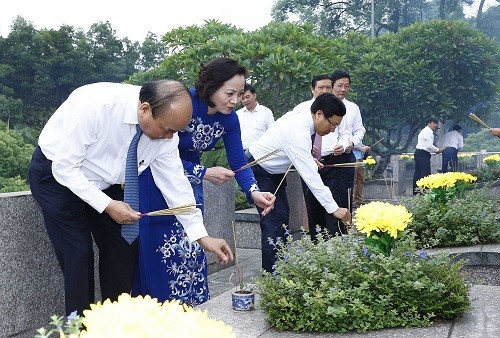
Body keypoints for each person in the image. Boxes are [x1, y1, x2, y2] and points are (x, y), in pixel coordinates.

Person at [28, 80, 233, 316]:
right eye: (167, 130)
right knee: (79, 254)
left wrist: (202, 236)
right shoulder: (96, 106)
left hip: (107, 181)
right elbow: (65, 168)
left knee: (123, 246)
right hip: (57, 177)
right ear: (145, 109)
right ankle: (79, 329)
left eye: (175, 132)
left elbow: (176, 186)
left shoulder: (167, 135)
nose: (169, 138)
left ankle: (114, 324)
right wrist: (107, 205)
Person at [132, 57, 275, 306]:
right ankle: (160, 310)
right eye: (229, 93)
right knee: (167, 249)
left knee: (194, 246)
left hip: (191, 187)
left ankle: (193, 309)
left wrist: (253, 192)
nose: (235, 100)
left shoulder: (229, 119)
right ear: (211, 86)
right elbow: (158, 153)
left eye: (239, 93)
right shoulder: (183, 104)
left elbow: (238, 160)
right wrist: (203, 172)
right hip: (156, 180)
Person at [248, 92, 351, 273]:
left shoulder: (304, 118)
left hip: (275, 173)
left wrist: (309, 159)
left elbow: (298, 154)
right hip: (259, 170)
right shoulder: (297, 130)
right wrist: (334, 208)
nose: (332, 130)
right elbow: (311, 177)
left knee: (282, 217)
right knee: (274, 220)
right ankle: (272, 276)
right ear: (319, 114)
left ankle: (278, 268)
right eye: (332, 124)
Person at [299, 71, 365, 240]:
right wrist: (307, 148)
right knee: (313, 206)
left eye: (328, 87)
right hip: (311, 163)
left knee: (337, 204)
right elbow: (295, 137)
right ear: (312, 89)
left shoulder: (340, 109)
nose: (325, 90)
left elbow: (347, 133)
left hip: (336, 163)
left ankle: (337, 244)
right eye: (321, 87)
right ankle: (318, 244)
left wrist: (344, 145)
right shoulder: (301, 110)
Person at [236, 84, 275, 151]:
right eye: (242, 98)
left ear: (254, 95)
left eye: (247, 97)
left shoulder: (266, 112)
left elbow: (272, 134)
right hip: (241, 152)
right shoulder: (238, 114)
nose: (245, 100)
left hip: (260, 153)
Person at [412, 117, 442, 194]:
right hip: (423, 153)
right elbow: (429, 146)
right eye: (434, 123)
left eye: (436, 123)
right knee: (425, 173)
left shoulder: (424, 131)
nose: (435, 125)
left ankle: (416, 191)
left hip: (418, 152)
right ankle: (425, 192)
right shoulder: (429, 132)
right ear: (429, 123)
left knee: (418, 173)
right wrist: (437, 150)